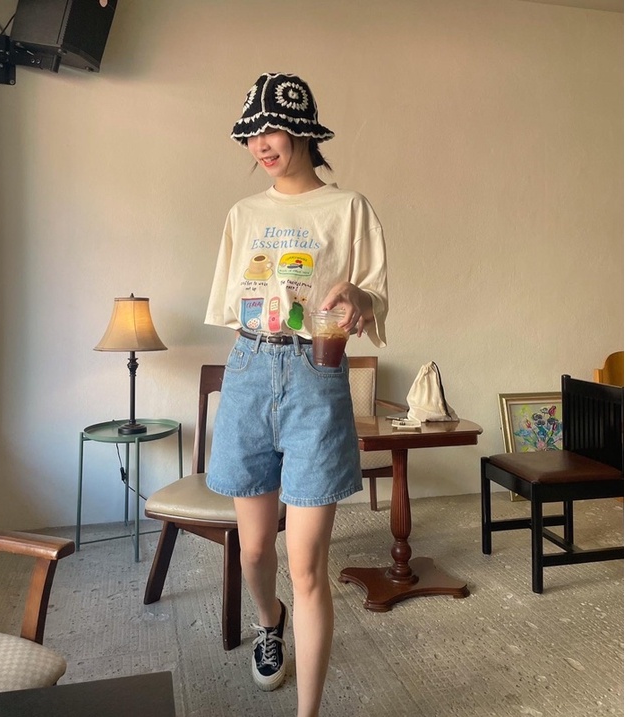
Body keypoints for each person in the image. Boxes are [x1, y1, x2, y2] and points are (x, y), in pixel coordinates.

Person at [204, 71, 388, 717]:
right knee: (255, 549)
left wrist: (360, 298)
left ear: (303, 131)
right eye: (250, 134)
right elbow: (231, 304)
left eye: (271, 129)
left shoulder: (348, 207)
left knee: (306, 561)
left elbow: (373, 293)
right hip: (251, 368)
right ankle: (268, 618)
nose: (260, 144)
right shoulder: (243, 214)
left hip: (317, 374)